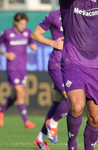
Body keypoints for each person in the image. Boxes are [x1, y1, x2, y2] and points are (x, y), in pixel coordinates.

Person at [46, 0, 98, 150]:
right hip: (73, 61)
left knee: (95, 117)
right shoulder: (69, 3)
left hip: (96, 66)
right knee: (77, 106)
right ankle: (72, 145)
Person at [31, 9, 70, 149]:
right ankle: (53, 124)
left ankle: (40, 139)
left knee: (58, 103)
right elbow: (35, 34)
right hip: (57, 64)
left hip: (72, 64)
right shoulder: (54, 16)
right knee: (71, 98)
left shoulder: (79, 13)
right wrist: (52, 43)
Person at [0, 12, 37, 129]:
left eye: (25, 24)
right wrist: (5, 53)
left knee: (16, 96)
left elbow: (32, 42)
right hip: (12, 67)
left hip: (23, 67)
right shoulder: (7, 33)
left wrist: (33, 46)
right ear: (15, 23)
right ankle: (26, 121)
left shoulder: (27, 32)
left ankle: (1, 110)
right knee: (20, 93)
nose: (23, 26)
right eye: (21, 24)